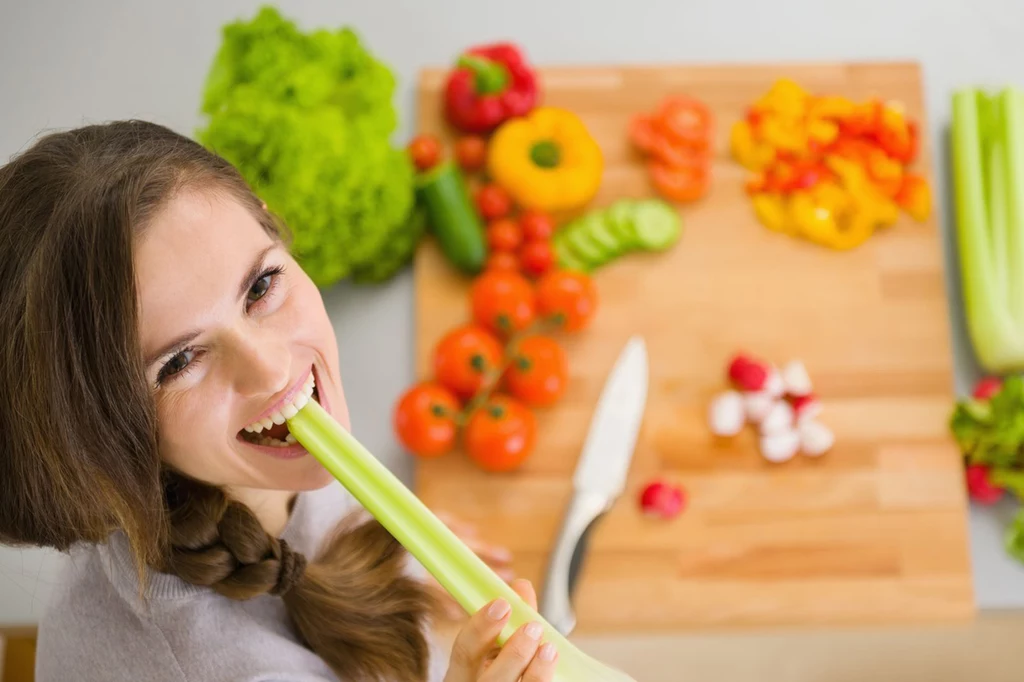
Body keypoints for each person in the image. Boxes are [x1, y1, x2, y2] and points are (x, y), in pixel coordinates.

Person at [0, 120, 560, 682]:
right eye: (178, 362)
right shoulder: (220, 667)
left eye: (262, 286)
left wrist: (386, 554)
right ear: (98, 433)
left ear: (267, 218)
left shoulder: (253, 456)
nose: (272, 369)